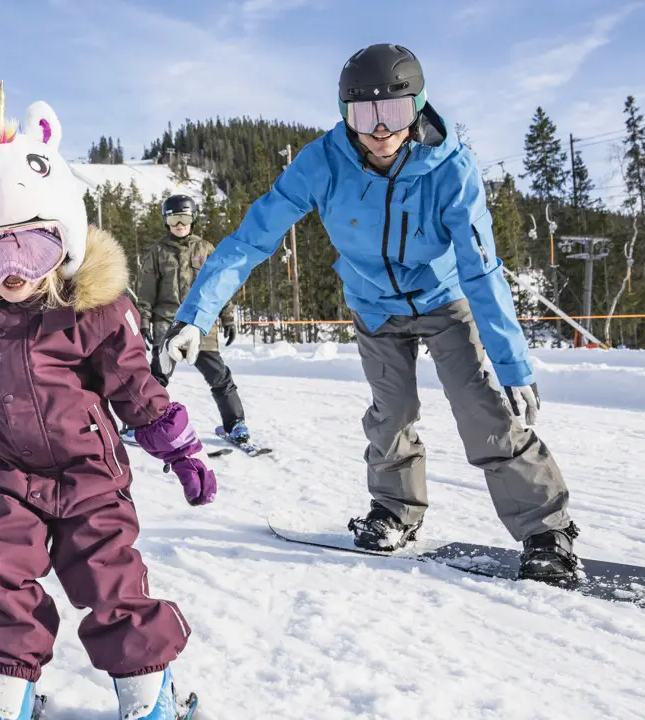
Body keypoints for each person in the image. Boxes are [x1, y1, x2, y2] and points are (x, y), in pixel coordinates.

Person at [165, 44, 579, 582]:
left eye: (396, 114)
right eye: (364, 116)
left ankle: (546, 532)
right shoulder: (323, 162)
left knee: (485, 413)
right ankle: (395, 512)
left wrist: (513, 365)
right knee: (392, 413)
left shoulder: (452, 169)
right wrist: (197, 314)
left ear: (419, 109)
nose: (381, 131)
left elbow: (481, 269)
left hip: (444, 299)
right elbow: (251, 240)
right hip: (373, 305)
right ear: (344, 116)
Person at [0, 84, 214, 720]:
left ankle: (147, 699)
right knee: (1, 587)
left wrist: (178, 447)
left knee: (113, 580)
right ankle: (6, 703)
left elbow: (135, 385)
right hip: (4, 481)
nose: (17, 270)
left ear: (66, 239)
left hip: (91, 478)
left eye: (35, 245)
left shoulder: (92, 314)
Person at [133, 194, 250, 444]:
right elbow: (146, 292)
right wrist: (143, 321)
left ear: (193, 218)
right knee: (157, 377)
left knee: (219, 377)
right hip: (167, 323)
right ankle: (140, 423)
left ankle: (236, 424)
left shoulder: (205, 249)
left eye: (184, 217)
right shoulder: (157, 252)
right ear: (166, 221)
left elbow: (219, 286)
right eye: (174, 218)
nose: (179, 223)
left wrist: (228, 317)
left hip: (201, 322)